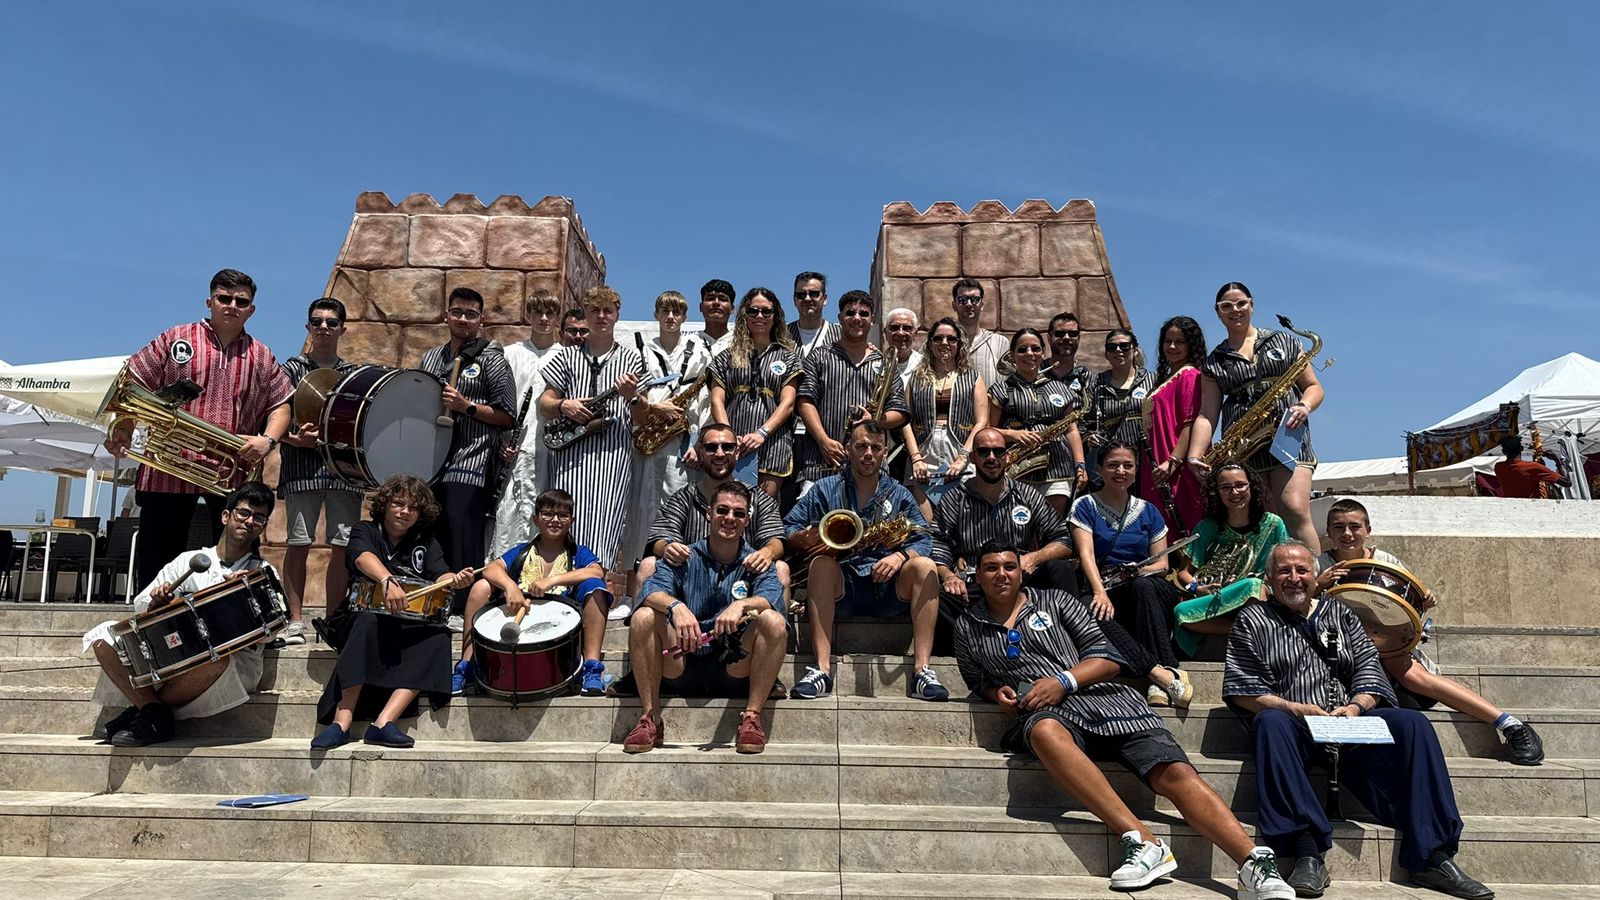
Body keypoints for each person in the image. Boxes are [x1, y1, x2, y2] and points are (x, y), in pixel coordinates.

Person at [955, 543, 1295, 899]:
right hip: (1049, 713)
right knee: (1043, 731)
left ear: (1021, 571)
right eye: (991, 568)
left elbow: (1109, 657)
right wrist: (1000, 696)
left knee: (1175, 773)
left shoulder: (1056, 600)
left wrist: (1062, 681)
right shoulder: (968, 626)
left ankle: (1253, 862)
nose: (1001, 574)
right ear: (978, 575)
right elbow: (979, 681)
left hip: (1111, 703)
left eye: (1009, 566)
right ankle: (1142, 840)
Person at [1225, 542, 1494, 900]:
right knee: (1270, 723)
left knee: (1413, 725)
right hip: (1296, 726)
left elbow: (1370, 668)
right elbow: (1244, 689)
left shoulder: (1341, 613)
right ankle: (1306, 850)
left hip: (1348, 721)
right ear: (1269, 578)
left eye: (1302, 570)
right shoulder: (1253, 619)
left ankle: (1431, 856)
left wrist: (1356, 706)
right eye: (1284, 572)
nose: (1294, 579)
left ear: (1313, 576)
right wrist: (1292, 708)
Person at [104, 268, 294, 590]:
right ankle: (153, 629)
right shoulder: (174, 338)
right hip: (169, 470)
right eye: (224, 298)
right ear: (209, 301)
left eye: (241, 301)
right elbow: (134, 383)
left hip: (231, 474)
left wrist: (268, 440)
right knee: (158, 562)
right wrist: (123, 427)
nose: (232, 305)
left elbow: (282, 405)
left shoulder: (262, 356)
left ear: (252, 309)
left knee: (240, 560)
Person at [1318, 498, 1544, 765]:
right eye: (1339, 527)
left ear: (1368, 529)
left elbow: (1406, 603)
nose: (1347, 534)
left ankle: (1510, 724)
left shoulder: (1385, 560)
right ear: (1329, 532)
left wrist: (1426, 598)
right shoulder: (1318, 564)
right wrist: (1317, 585)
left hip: (1385, 645)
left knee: (1411, 674)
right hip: (1336, 648)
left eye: (1354, 527)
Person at [84, 482, 281, 748]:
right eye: (243, 513)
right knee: (103, 638)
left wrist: (251, 594)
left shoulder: (262, 572)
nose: (249, 522)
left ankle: (145, 711)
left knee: (214, 657)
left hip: (226, 666)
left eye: (259, 518)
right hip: (174, 653)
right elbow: (141, 605)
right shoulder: (189, 560)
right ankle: (154, 713)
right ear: (226, 516)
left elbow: (274, 627)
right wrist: (157, 601)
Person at [624, 481, 788, 755]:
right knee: (643, 617)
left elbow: (771, 597)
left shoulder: (757, 562)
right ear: (708, 514)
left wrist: (743, 605)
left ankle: (751, 717)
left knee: (773, 621)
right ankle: (651, 719)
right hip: (682, 662)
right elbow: (649, 591)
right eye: (722, 510)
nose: (729, 518)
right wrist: (676, 606)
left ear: (747, 520)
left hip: (734, 665)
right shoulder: (685, 556)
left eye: (738, 513)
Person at [785, 421, 946, 701]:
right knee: (820, 565)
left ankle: (922, 671)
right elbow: (789, 526)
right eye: (861, 446)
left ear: (884, 453)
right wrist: (802, 537)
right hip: (843, 587)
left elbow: (924, 537)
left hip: (887, 588)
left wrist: (901, 556)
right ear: (848, 449)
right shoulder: (824, 489)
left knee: (925, 566)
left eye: (875, 447)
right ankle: (822, 670)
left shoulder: (899, 493)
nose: (868, 453)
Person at [312, 475, 475, 749]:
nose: (405, 512)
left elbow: (440, 574)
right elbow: (363, 556)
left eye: (413, 507)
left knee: (438, 636)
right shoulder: (365, 530)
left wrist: (455, 579)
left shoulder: (426, 541)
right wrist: (387, 580)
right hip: (360, 615)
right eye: (399, 504)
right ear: (385, 505)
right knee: (367, 622)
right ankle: (342, 722)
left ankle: (384, 722)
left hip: (406, 621)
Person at [1190, 281, 1325, 551]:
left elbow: (1313, 387)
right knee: (1265, 517)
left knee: (1294, 508)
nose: (1235, 310)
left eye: (1241, 303)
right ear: (1217, 312)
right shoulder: (1214, 360)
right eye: (1226, 306)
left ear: (1251, 305)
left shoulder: (1283, 340)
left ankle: (1315, 579)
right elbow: (1207, 414)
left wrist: (1304, 406)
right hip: (1244, 443)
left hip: (1288, 433)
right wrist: (1195, 454)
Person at [418, 286, 517, 626]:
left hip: (471, 461)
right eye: (457, 312)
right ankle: (435, 601)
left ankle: (464, 606)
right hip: (431, 462)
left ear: (481, 319)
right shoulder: (430, 358)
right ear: (446, 315)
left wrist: (467, 407)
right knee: (432, 534)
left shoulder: (492, 357)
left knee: (463, 535)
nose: (463, 319)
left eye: (470, 314)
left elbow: (507, 415)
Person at [456, 488, 614, 696]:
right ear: (535, 519)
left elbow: (595, 571)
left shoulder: (578, 553)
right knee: (480, 587)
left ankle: (591, 669)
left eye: (563, 515)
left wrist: (552, 580)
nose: (555, 520)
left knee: (594, 586)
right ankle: (466, 667)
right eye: (548, 514)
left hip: (560, 630)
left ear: (571, 520)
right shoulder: (522, 552)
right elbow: (491, 569)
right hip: (517, 618)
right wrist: (511, 587)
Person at [1070, 442, 1192, 707]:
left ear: (1137, 470)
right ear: (1099, 469)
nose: (1121, 471)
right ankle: (1161, 674)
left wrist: (1137, 571)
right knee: (1087, 609)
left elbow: (1161, 565)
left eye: (1128, 465)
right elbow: (1086, 555)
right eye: (1113, 465)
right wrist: (1099, 592)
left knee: (1142, 587)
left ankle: (1164, 667)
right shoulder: (1084, 506)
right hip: (1104, 586)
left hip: (1145, 587)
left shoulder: (1149, 511)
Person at [539, 285, 646, 570]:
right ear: (585, 314)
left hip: (612, 459)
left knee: (605, 524)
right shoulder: (566, 357)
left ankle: (594, 591)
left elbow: (643, 416)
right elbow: (544, 403)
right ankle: (559, 588)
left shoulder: (631, 359)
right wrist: (564, 405)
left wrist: (632, 397)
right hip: (569, 457)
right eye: (595, 311)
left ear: (617, 315)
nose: (601, 316)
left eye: (607, 311)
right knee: (563, 519)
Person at [621, 290, 716, 609]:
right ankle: (634, 595)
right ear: (656, 314)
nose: (671, 316)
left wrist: (700, 442)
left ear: (685, 316)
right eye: (665, 310)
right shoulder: (640, 350)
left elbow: (704, 403)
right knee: (641, 515)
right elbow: (633, 400)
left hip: (683, 444)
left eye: (677, 311)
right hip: (648, 445)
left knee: (682, 516)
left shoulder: (699, 352)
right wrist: (654, 410)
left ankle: (682, 591)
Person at [277, 297, 362, 643]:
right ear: (308, 327)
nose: (324, 327)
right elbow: (273, 417)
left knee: (342, 547)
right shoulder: (290, 369)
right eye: (317, 321)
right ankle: (295, 621)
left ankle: (333, 622)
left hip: (343, 470)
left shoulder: (354, 374)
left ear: (343, 328)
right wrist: (294, 439)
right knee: (298, 544)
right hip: (301, 469)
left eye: (331, 322)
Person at [640, 424, 789, 601]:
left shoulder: (759, 498)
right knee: (648, 565)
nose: (719, 454)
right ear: (701, 452)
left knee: (780, 569)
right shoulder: (684, 497)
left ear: (737, 452)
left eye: (727, 447)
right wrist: (667, 548)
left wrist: (767, 553)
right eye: (711, 448)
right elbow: (659, 536)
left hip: (743, 589)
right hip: (690, 588)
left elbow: (776, 539)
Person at [932, 426, 1077, 606]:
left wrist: (1034, 558)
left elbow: (1063, 540)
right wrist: (949, 576)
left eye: (998, 451)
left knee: (1060, 569)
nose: (992, 457)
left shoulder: (1027, 495)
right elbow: (937, 543)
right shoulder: (954, 499)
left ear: (1007, 457)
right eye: (984, 452)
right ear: (972, 457)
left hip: (1020, 581)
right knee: (938, 598)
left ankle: (1070, 629)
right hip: (974, 585)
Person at [1168, 464, 1289, 657]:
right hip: (1218, 598)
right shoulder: (1206, 527)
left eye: (1240, 485)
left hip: (1259, 595)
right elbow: (1184, 573)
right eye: (1226, 487)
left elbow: (1284, 566)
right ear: (1217, 492)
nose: (1234, 492)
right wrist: (1196, 588)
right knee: (1181, 612)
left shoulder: (1274, 524)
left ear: (1252, 487)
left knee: (1253, 585)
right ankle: (1242, 628)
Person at [794, 290, 908, 491]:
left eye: (863, 314)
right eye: (850, 313)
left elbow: (900, 411)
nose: (857, 318)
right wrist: (823, 441)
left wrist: (877, 419)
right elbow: (804, 402)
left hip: (871, 471)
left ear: (872, 320)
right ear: (840, 318)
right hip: (821, 466)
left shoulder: (884, 363)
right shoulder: (819, 357)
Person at [489, 289, 565, 559]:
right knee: (508, 516)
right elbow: (497, 403)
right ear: (529, 315)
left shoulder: (567, 356)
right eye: (538, 312)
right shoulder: (510, 354)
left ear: (557, 318)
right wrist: (500, 442)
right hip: (514, 452)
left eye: (550, 313)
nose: (544, 318)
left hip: (551, 453)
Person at [709, 288, 803, 499]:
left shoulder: (788, 358)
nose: (759, 316)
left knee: (762, 509)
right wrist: (729, 437)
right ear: (744, 315)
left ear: (775, 315)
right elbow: (717, 399)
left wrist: (762, 434)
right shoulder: (726, 357)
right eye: (753, 311)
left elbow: (788, 403)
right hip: (734, 445)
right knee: (730, 506)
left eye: (766, 311)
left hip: (772, 443)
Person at [988, 328, 1088, 513]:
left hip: (1058, 468)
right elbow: (988, 431)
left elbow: (1072, 430)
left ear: (1043, 352)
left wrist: (1080, 465)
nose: (1029, 354)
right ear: (1012, 354)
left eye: (1035, 349)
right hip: (1018, 467)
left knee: (1052, 525)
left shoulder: (1061, 388)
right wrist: (1013, 434)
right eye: (1022, 349)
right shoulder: (1000, 389)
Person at [900, 317, 988, 518]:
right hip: (923, 453)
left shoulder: (972, 376)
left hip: (960, 451)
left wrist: (963, 457)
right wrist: (915, 459)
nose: (945, 343)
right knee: (925, 525)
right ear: (930, 343)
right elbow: (905, 420)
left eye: (951, 339)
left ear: (960, 343)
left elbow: (982, 421)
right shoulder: (916, 377)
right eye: (938, 338)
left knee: (962, 520)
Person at [1141, 316, 1207, 536]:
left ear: (1191, 345)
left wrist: (1173, 462)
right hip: (1156, 463)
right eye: (1167, 341)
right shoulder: (1168, 377)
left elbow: (1191, 423)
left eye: (1179, 342)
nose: (1172, 347)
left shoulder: (1189, 375)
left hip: (1175, 466)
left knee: (1183, 521)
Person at [1083, 328, 1155, 485]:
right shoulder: (1095, 384)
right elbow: (1082, 421)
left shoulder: (1153, 381)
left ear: (1135, 351)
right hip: (1112, 465)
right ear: (1106, 354)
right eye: (1112, 347)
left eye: (1124, 346)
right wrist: (1088, 437)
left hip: (1147, 460)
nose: (1118, 350)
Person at [950, 278, 1009, 387]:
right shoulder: (941, 341)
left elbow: (1010, 381)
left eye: (975, 299)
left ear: (981, 305)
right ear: (954, 305)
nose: (969, 304)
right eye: (962, 299)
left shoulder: (1000, 343)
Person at [786, 271, 841, 359]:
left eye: (814, 294)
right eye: (801, 295)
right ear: (794, 300)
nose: (807, 299)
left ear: (825, 299)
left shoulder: (841, 334)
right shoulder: (781, 334)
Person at [1493, 435, 1569, 499]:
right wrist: (1557, 461)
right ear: (1521, 448)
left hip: (1512, 508)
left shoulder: (1498, 467)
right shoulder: (1533, 467)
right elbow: (1567, 482)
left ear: (1503, 452)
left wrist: (1539, 467)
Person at [1043, 312, 1091, 393]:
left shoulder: (1088, 378)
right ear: (1049, 338)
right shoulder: (1036, 373)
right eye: (1060, 333)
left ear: (1078, 338)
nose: (1066, 338)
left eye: (1072, 334)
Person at [699, 278, 735, 350]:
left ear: (732, 308)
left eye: (723, 299)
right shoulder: (686, 344)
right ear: (701, 307)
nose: (716, 303)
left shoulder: (743, 345)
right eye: (710, 298)